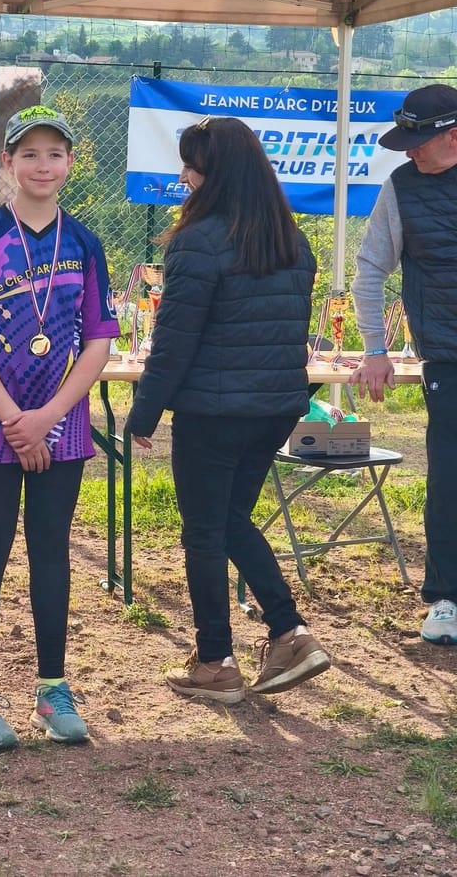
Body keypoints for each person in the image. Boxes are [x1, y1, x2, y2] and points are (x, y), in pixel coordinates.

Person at [0, 105, 120, 750]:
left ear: (71, 162)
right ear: (7, 162)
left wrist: (48, 417)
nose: (43, 165)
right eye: (30, 154)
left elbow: (98, 341)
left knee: (51, 549)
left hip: (61, 423)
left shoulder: (85, 243)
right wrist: (16, 421)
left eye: (55, 154)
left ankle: (52, 688)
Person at [126, 116, 331, 705]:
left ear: (212, 174)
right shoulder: (293, 240)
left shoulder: (198, 240)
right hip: (277, 407)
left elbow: (175, 340)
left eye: (190, 167)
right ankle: (285, 634)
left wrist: (144, 411)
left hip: (214, 412)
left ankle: (220, 659)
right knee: (229, 521)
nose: (183, 177)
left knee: (205, 532)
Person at [350, 83, 457, 645]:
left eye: (419, 141)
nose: (410, 151)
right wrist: (375, 348)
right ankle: (446, 598)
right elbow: (371, 268)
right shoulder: (401, 186)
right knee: (449, 479)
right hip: (447, 359)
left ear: (454, 137)